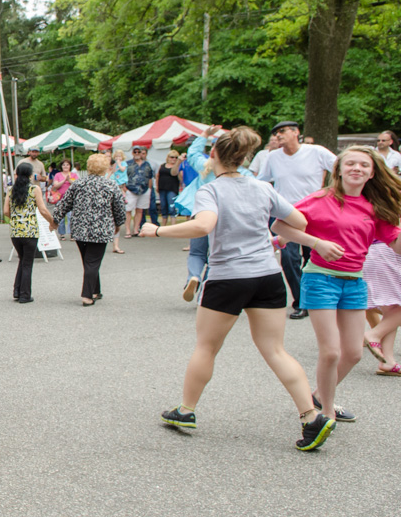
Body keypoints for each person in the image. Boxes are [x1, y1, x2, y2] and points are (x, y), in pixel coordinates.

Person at [139, 127, 335, 451]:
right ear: (245, 158)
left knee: (206, 347)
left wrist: (156, 230)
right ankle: (311, 416)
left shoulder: (210, 190)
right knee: (275, 350)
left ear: (213, 155)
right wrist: (273, 228)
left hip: (228, 277)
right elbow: (299, 221)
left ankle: (186, 410)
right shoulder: (262, 188)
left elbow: (203, 225)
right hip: (268, 276)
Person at [271, 146, 401, 424]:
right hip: (320, 279)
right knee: (331, 352)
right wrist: (316, 243)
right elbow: (280, 227)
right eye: (350, 163)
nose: (357, 169)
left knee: (353, 354)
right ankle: (326, 414)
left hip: (354, 283)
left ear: (372, 173)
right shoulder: (319, 199)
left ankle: (318, 396)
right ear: (338, 170)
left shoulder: (373, 207)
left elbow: (395, 244)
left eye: (363, 165)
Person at [258, 120, 337, 319]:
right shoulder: (273, 157)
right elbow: (262, 181)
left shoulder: (316, 152)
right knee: (289, 258)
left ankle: (319, 300)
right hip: (286, 215)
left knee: (314, 257)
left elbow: (340, 167)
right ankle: (301, 302)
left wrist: (332, 193)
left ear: (296, 132)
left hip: (316, 214)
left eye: (282, 131)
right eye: (275, 133)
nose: (278, 136)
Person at [51, 153, 125, 306]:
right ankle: (87, 295)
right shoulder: (110, 185)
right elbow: (119, 209)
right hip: (101, 229)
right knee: (92, 261)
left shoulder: (78, 184)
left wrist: (55, 220)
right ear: (105, 168)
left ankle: (96, 290)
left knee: (89, 261)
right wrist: (119, 224)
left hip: (80, 229)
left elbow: (64, 204)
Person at [175, 126, 226, 302]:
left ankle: (193, 277)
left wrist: (205, 134)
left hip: (200, 215)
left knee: (197, 253)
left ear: (212, 152)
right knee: (214, 256)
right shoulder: (239, 173)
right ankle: (204, 292)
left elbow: (193, 152)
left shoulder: (204, 167)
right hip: (221, 219)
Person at [4, 162, 55, 303]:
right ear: (31, 175)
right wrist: (52, 222)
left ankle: (17, 290)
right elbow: (43, 210)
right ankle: (25, 294)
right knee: (27, 262)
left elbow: (6, 211)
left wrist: (16, 219)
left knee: (22, 259)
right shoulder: (35, 189)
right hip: (30, 231)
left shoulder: (11, 190)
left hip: (15, 231)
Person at [364, 241, 401, 375]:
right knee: (394, 310)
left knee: (392, 311)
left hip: (376, 253)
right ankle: (374, 334)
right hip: (388, 255)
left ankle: (388, 361)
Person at [124, 146, 155, 237]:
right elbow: (122, 177)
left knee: (140, 210)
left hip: (144, 190)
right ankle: (127, 230)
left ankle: (136, 229)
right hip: (130, 189)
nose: (137, 154)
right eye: (135, 152)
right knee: (128, 210)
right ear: (132, 153)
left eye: (139, 152)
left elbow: (150, 177)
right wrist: (124, 189)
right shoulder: (128, 164)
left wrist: (149, 189)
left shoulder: (147, 164)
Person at [49, 159, 77, 238]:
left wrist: (69, 180)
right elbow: (56, 185)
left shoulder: (73, 175)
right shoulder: (58, 175)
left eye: (67, 165)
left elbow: (76, 184)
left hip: (72, 198)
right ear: (61, 166)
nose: (65, 166)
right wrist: (64, 180)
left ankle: (72, 233)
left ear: (70, 166)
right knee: (61, 216)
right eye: (64, 165)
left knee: (71, 216)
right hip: (60, 198)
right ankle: (62, 234)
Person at [108, 152, 127, 254]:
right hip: (104, 199)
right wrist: (110, 173)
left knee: (117, 220)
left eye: (108, 157)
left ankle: (116, 245)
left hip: (115, 196)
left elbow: (121, 180)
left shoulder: (116, 168)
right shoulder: (99, 171)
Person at [156, 151, 181, 226]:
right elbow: (158, 176)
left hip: (172, 188)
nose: (173, 159)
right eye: (172, 157)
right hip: (162, 187)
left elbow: (179, 177)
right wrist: (157, 186)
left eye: (176, 157)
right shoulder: (162, 165)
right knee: (163, 206)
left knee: (171, 206)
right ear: (168, 157)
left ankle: (173, 224)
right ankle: (164, 224)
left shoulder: (177, 167)